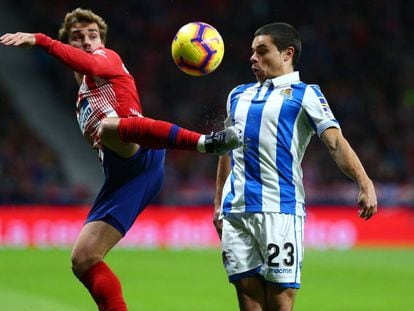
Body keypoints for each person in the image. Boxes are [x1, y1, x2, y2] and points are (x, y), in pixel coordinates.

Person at [0, 8, 241, 311]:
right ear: (68, 45)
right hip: (121, 175)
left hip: (140, 152)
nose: (88, 41)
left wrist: (40, 41)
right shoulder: (81, 99)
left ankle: (208, 142)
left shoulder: (107, 59)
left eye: (93, 35)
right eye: (78, 37)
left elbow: (88, 63)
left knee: (108, 126)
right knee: (83, 258)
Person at [213, 22, 378, 311]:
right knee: (248, 301)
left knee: (279, 303)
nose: (253, 58)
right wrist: (218, 205)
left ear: (287, 53)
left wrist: (364, 182)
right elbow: (225, 150)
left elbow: (335, 143)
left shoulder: (306, 94)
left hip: (281, 210)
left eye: (262, 51)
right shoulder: (237, 95)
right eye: (252, 52)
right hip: (236, 211)